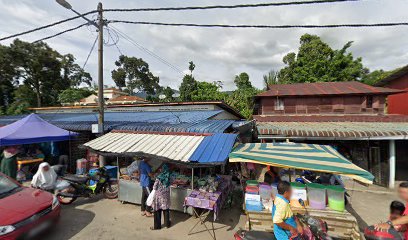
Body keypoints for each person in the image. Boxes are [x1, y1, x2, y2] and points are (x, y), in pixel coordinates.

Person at [151, 164, 172, 230]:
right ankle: (167, 224)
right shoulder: (169, 176)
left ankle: (157, 226)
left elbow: (154, 187)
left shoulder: (159, 177)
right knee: (166, 209)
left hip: (159, 197)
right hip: (166, 196)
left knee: (157, 210)